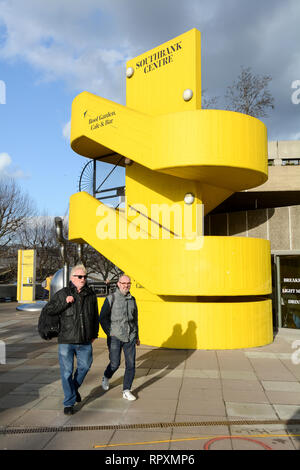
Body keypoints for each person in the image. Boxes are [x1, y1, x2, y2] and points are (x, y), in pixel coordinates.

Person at [42, 264, 99, 415]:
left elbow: (95, 317)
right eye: (80, 277)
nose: (83, 279)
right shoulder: (62, 293)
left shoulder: (91, 294)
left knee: (85, 367)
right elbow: (49, 310)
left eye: (85, 277)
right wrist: (64, 302)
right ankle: (69, 403)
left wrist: (94, 334)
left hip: (85, 340)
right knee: (66, 372)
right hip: (66, 340)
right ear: (72, 278)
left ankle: (73, 390)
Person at [99, 274, 140, 401]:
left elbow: (135, 320)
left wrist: (137, 335)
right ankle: (106, 377)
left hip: (130, 337)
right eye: (123, 283)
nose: (126, 285)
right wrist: (109, 332)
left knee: (131, 364)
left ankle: (126, 390)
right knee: (115, 364)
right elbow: (102, 317)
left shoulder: (132, 299)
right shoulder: (111, 298)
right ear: (118, 284)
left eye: (128, 283)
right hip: (115, 337)